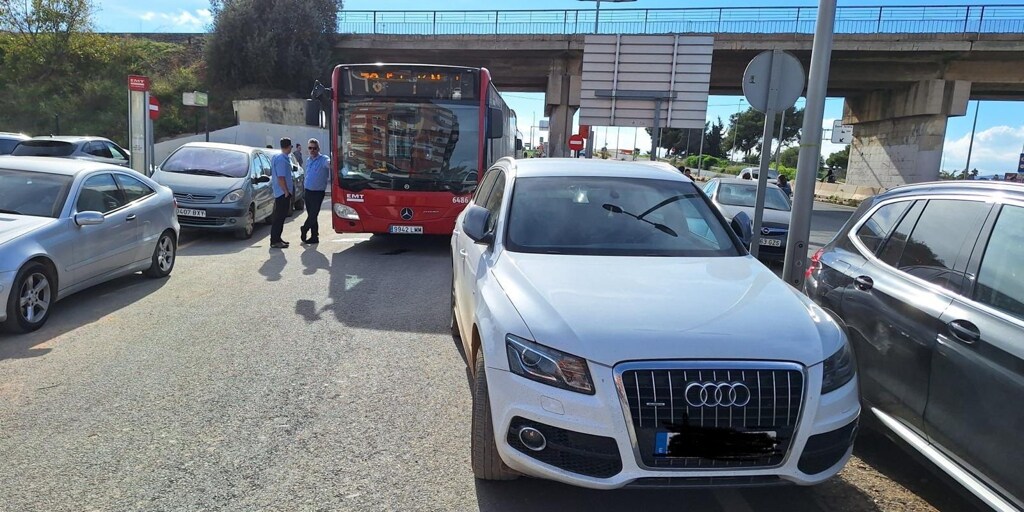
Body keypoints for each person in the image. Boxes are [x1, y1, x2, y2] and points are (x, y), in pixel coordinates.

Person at [300, 138, 330, 244]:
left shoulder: (323, 159)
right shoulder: (308, 160)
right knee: (312, 215)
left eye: (314, 148)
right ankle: (314, 236)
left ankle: (304, 228)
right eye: (310, 148)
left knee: (313, 214)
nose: (312, 150)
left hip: (318, 192)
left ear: (318, 149)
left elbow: (330, 164)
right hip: (308, 191)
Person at [269, 137, 295, 249]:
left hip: (281, 191)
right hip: (282, 193)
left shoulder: (279, 157)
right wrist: (285, 191)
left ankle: (278, 238)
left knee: (281, 216)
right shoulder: (282, 159)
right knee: (279, 217)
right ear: (289, 147)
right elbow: (281, 177)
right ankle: (275, 240)